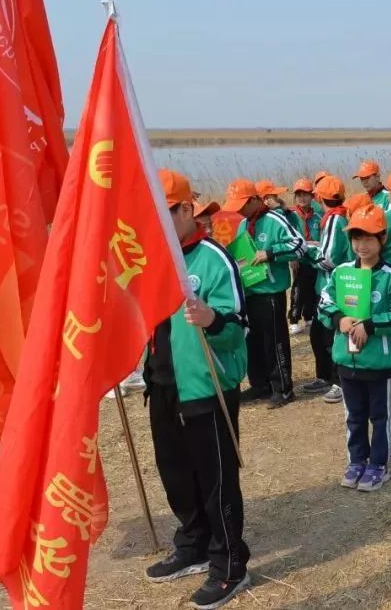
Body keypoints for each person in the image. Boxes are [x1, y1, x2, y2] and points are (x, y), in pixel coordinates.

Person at [144, 170, 252, 609]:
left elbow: (238, 327)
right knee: (175, 472)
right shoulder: (150, 257)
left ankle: (229, 564)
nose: (157, 220)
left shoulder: (214, 258)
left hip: (207, 385)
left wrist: (214, 320)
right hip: (162, 381)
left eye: (165, 211)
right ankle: (192, 544)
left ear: (187, 209)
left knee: (216, 480)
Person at [319, 204, 391, 492]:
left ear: (382, 238)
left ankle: (379, 465)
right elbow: (324, 301)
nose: (361, 245)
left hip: (378, 362)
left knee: (379, 416)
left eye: (369, 238)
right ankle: (357, 460)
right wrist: (340, 318)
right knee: (354, 415)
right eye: (356, 238)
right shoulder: (343, 272)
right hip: (347, 360)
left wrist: (370, 325)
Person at [221, 179, 306, 408]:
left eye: (241, 204)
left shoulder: (275, 220)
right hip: (249, 292)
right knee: (253, 341)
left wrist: (270, 253)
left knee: (274, 341)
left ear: (255, 200)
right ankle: (260, 384)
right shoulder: (242, 225)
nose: (238, 210)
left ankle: (283, 388)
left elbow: (300, 245)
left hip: (270, 293)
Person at [304, 175, 352, 403]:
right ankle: (326, 376)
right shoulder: (338, 218)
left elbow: (328, 259)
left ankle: (339, 382)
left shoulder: (334, 220)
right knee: (319, 334)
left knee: (330, 336)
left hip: (334, 286)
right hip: (332, 285)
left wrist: (308, 252)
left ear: (320, 198)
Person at [288, 179, 321, 335]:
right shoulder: (291, 217)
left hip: (313, 260)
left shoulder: (317, 216)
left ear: (312, 196)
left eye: (305, 195)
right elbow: (287, 238)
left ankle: (309, 316)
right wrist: (292, 257)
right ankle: (294, 319)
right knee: (298, 289)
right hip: (299, 260)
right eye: (299, 195)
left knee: (313, 289)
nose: (302, 198)